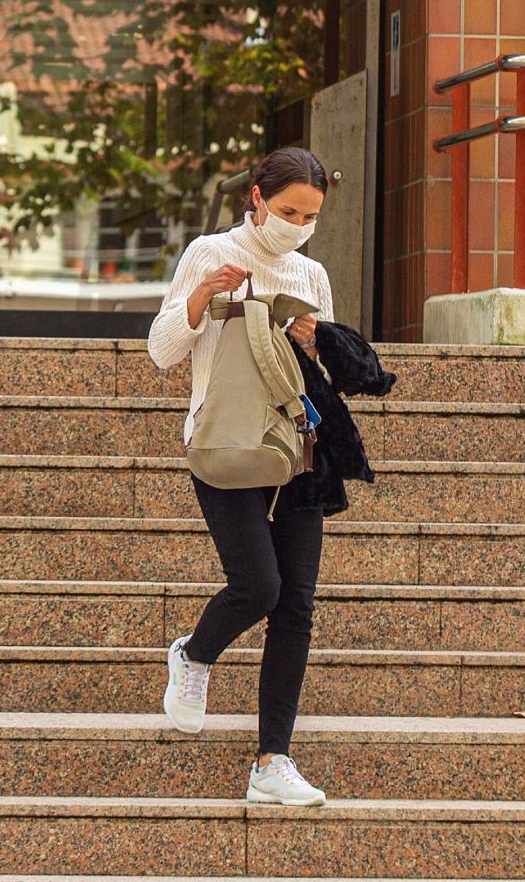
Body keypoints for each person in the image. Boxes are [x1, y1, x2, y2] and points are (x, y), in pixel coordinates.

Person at [146, 147, 333, 807]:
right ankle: (195, 655)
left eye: (310, 215)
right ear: (256, 196)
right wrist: (200, 297)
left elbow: (327, 381)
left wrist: (318, 343)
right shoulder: (208, 253)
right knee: (257, 585)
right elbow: (164, 350)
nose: (298, 224)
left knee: (297, 605)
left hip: (298, 448)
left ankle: (271, 761)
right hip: (224, 441)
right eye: (287, 211)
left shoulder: (311, 272)